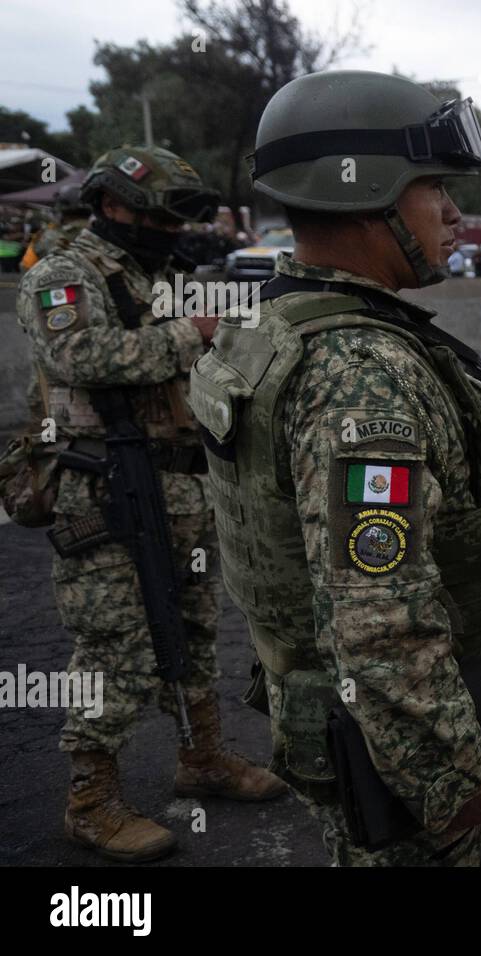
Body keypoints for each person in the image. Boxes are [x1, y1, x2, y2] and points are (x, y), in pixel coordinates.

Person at [190, 70, 481, 867]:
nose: (456, 214)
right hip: (391, 749)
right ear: (368, 196)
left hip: (331, 713)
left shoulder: (275, 320)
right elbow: (378, 617)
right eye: (434, 189)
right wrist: (454, 777)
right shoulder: (361, 366)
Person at [16, 145, 286, 864]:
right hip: (106, 485)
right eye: (159, 215)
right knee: (117, 647)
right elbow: (83, 358)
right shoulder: (62, 274)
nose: (168, 230)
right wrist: (189, 333)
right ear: (112, 204)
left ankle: (201, 759)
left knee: (193, 630)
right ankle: (89, 801)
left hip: (179, 480)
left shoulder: (152, 276)